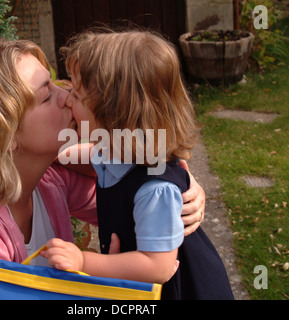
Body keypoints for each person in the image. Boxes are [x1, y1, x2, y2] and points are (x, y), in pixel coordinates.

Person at [0, 39, 205, 299]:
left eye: (58, 82)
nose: (67, 97)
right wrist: (107, 290)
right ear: (6, 135)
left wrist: (179, 183)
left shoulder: (47, 178)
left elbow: (132, 199)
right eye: (46, 95)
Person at [41, 29, 234, 300]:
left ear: (113, 111)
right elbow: (85, 153)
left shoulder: (154, 188)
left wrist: (84, 263)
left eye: (77, 94)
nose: (67, 99)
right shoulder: (117, 151)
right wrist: (51, 152)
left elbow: (159, 266)